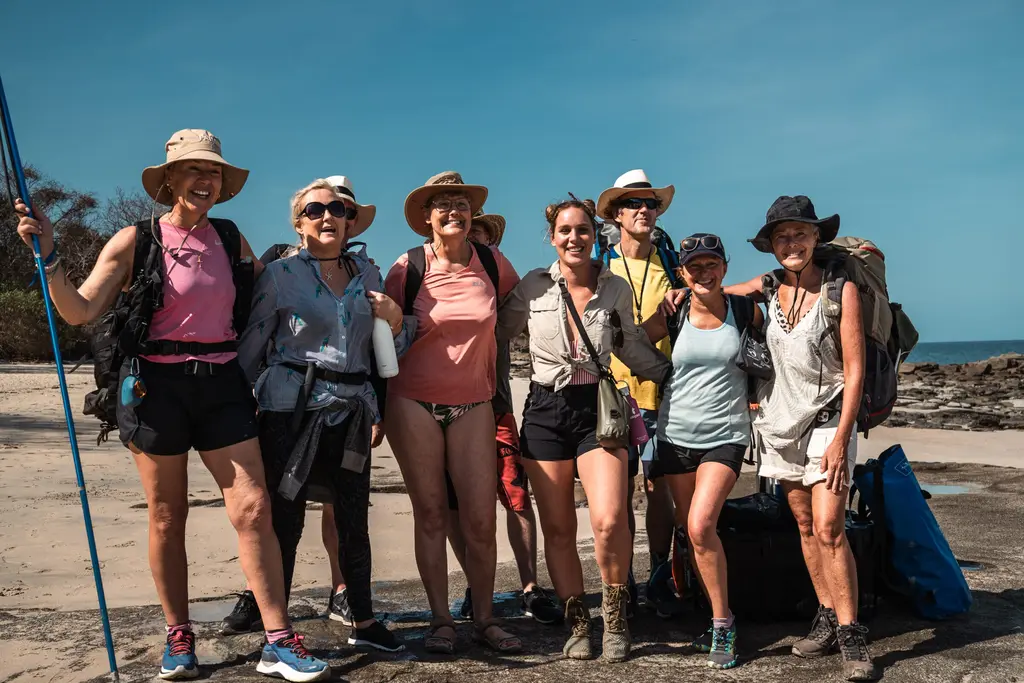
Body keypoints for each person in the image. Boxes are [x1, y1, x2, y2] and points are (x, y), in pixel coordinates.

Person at [15, 129, 329, 681]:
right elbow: (79, 310)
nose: (205, 180)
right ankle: (178, 634)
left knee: (253, 509)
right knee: (167, 515)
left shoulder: (232, 240)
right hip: (157, 389)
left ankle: (278, 639)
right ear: (169, 181)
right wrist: (49, 256)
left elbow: (274, 299)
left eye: (213, 173)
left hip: (223, 384)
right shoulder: (135, 239)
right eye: (193, 171)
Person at [231, 177, 410, 653]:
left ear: (350, 221)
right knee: (284, 519)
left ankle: (365, 619)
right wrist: (234, 405)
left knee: (354, 518)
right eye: (315, 210)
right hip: (290, 411)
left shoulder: (367, 274)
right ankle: (279, 630)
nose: (328, 217)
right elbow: (252, 344)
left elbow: (387, 351)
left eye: (338, 210)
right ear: (299, 221)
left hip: (351, 411)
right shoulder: (279, 275)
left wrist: (395, 320)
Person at [496, 196, 671, 662]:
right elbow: (492, 336)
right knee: (557, 526)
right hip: (544, 411)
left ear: (596, 236)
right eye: (565, 231)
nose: (575, 238)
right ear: (553, 238)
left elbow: (631, 345)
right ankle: (578, 623)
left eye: (583, 231)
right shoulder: (532, 288)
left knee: (610, 520)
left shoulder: (614, 288)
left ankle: (615, 618)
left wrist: (672, 375)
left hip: (599, 409)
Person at [733, 196, 880, 681]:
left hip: (828, 424)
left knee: (829, 527)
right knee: (801, 524)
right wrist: (684, 291)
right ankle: (824, 616)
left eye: (799, 233)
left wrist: (843, 438)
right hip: (777, 424)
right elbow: (720, 293)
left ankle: (852, 632)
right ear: (771, 246)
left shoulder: (842, 291)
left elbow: (855, 371)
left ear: (818, 238)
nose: (791, 243)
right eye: (781, 236)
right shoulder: (769, 288)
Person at [383, 172, 522, 655]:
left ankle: (484, 619)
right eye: (441, 204)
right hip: (412, 399)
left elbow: (520, 305)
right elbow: (384, 328)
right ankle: (442, 620)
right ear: (427, 217)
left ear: (471, 214)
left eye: (460, 204)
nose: (453, 211)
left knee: (481, 519)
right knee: (431, 514)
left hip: (475, 401)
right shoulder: (408, 265)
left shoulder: (491, 260)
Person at [641, 233, 763, 669]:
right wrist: (658, 372)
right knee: (690, 530)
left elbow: (775, 356)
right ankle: (700, 606)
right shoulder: (673, 313)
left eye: (712, 265)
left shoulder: (746, 312)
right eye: (695, 267)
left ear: (725, 268)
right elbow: (633, 341)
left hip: (725, 436)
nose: (704, 273)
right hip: (675, 436)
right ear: (683, 273)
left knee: (699, 524)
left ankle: (724, 624)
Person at [448, 211, 562, 626]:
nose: (475, 240)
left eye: (482, 234)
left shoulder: (499, 271)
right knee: (454, 505)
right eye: (470, 232)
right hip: (444, 408)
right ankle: (477, 585)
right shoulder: (430, 272)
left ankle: (530, 586)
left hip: (494, 403)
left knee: (515, 495)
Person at [595, 170, 682, 618]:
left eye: (651, 203)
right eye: (634, 204)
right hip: (610, 397)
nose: (645, 210)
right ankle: (623, 580)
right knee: (619, 492)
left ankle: (661, 576)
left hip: (662, 392)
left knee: (657, 489)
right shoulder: (600, 266)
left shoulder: (673, 265)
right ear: (616, 214)